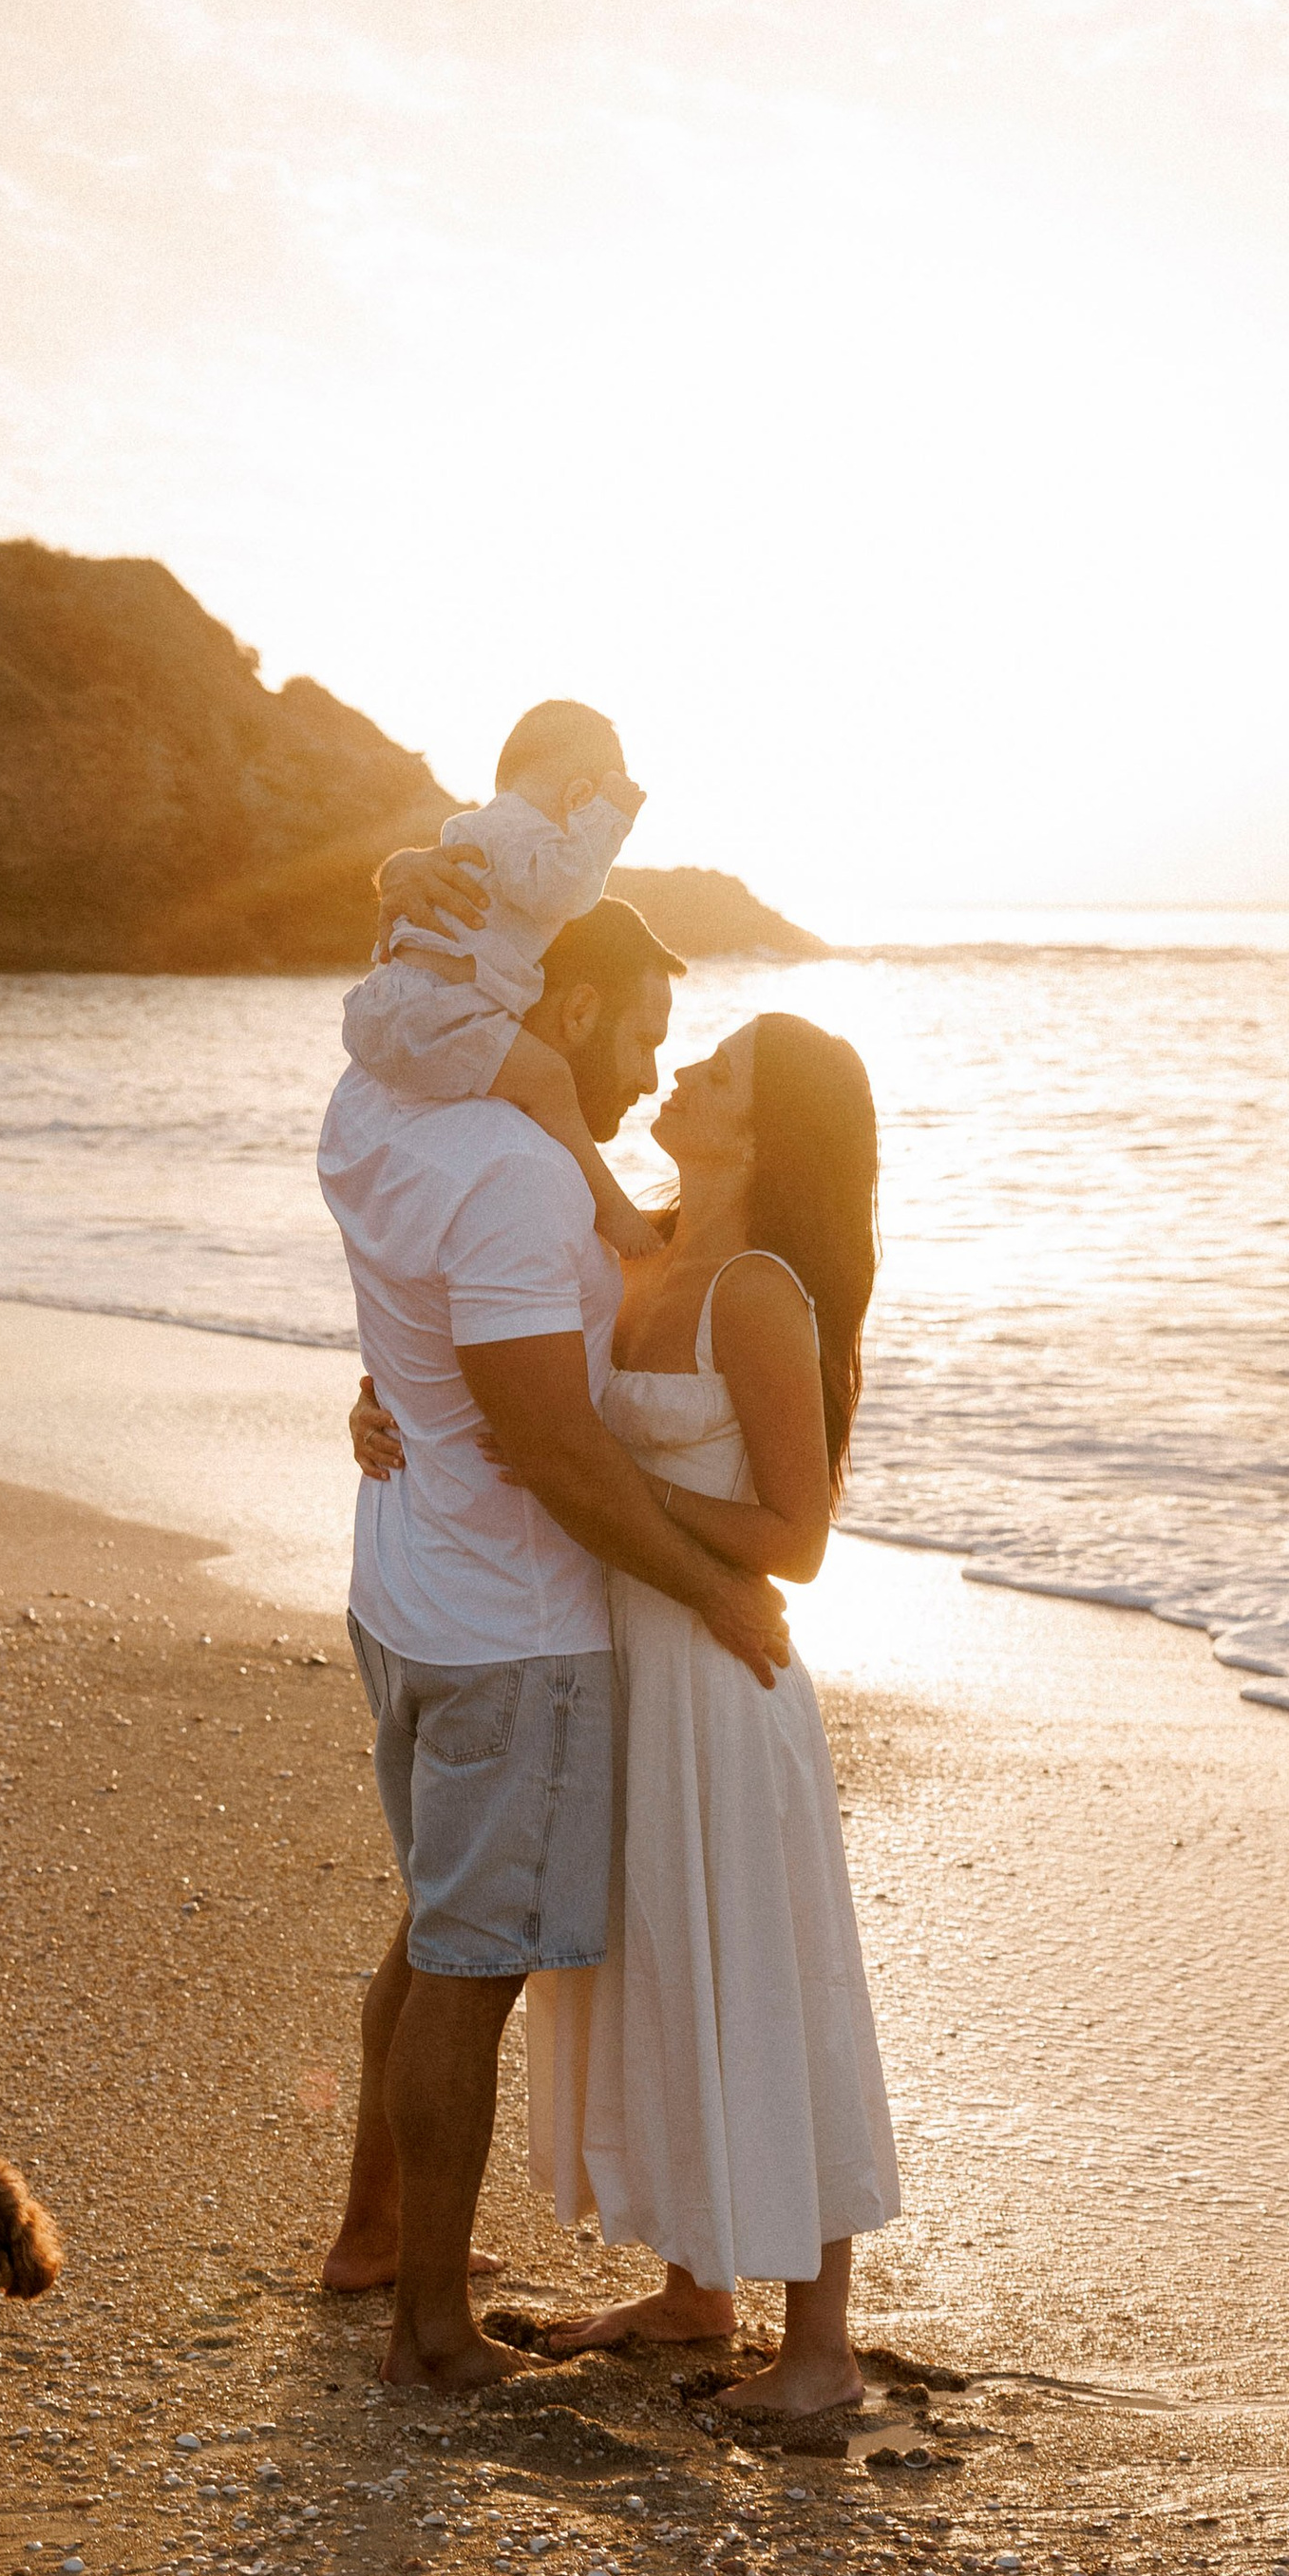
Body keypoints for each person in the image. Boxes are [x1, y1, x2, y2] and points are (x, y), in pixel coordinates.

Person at [351, 1008, 900, 2420]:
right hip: (623, 1656)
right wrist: (383, 1396)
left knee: (762, 1980)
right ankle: (694, 2289)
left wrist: (591, 1480)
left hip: (723, 1683)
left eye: (718, 1074)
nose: (682, 1077)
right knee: (659, 1967)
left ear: (770, 1132)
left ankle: (821, 2346)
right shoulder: (639, 1245)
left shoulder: (759, 1290)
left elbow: (796, 1537)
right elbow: (493, 1322)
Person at [315, 893, 791, 2393]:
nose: (656, 1071)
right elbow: (559, 1451)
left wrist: (388, 1395)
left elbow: (422, 1312)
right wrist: (711, 1588)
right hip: (505, 1624)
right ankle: (431, 2334)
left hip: (403, 1584)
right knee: (471, 1966)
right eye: (646, 1030)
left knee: (428, 1927)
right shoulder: (522, 1174)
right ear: (571, 1015)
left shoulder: (378, 1106)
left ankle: (377, 2241)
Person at [339, 699, 662, 1256]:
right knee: (551, 1084)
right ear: (576, 793)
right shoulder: (517, 826)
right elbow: (567, 888)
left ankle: (612, 1219)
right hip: (436, 1012)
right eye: (584, 799)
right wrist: (611, 819)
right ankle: (624, 1228)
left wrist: (394, 868)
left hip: (397, 1005)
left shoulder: (484, 832)